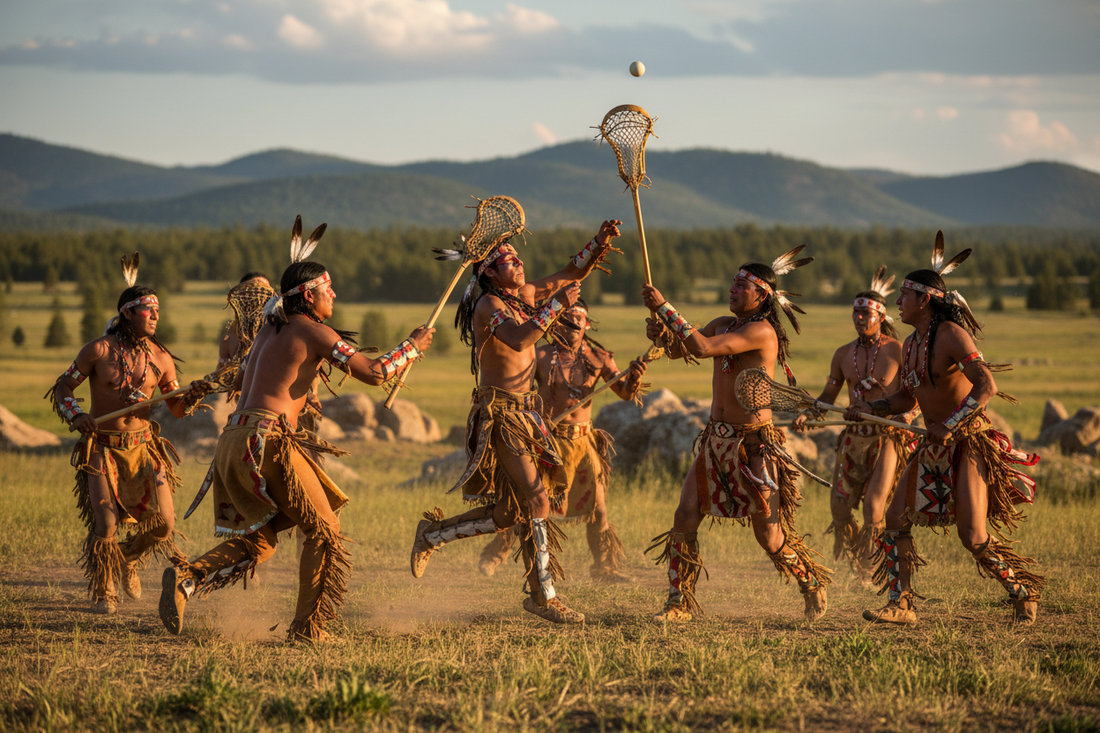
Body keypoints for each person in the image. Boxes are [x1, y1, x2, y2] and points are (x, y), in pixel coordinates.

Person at [159, 219, 434, 642]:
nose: (334, 296)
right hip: (266, 440)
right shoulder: (312, 330)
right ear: (309, 295)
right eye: (329, 289)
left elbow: (238, 381)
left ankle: (187, 579)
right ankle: (308, 629)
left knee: (262, 541)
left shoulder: (271, 331)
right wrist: (412, 346)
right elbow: (376, 373)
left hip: (234, 440)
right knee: (324, 532)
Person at [410, 220, 623, 624]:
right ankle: (544, 596)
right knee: (539, 499)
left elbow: (569, 273)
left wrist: (598, 243)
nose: (519, 264)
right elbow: (522, 339)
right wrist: (557, 305)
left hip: (527, 414)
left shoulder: (523, 295)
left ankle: (433, 534)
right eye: (509, 260)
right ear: (489, 271)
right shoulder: (489, 306)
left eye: (518, 258)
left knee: (509, 514)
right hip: (501, 415)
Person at [850, 232, 1044, 625]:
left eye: (905, 296)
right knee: (894, 521)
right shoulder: (910, 344)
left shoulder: (952, 336)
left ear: (925, 300)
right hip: (933, 443)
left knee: (973, 536)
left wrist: (953, 424)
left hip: (970, 442)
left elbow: (987, 385)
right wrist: (870, 408)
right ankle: (901, 604)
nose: (898, 303)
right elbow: (908, 397)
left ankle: (1023, 590)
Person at [642, 247, 833, 623]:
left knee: (769, 535)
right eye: (732, 281)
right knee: (685, 516)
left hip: (754, 444)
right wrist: (662, 335)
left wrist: (666, 308)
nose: (732, 288)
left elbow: (704, 347)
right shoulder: (722, 323)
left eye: (742, 284)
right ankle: (678, 604)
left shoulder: (760, 332)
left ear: (761, 295)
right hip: (716, 441)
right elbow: (685, 350)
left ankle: (810, 582)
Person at [47, 253, 209, 614]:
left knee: (164, 524)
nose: (155, 316)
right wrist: (77, 416)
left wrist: (193, 396)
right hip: (102, 448)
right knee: (105, 523)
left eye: (157, 311)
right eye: (147, 310)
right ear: (126, 313)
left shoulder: (161, 358)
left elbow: (178, 409)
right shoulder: (98, 350)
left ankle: (126, 558)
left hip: (143, 449)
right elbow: (63, 389)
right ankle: (106, 590)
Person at [477, 298, 648, 582]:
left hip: (583, 444)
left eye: (578, 318)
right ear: (556, 321)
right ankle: (497, 552)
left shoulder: (600, 358)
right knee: (527, 500)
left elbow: (625, 393)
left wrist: (634, 379)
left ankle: (605, 569)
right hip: (547, 441)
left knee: (598, 509)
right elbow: (518, 388)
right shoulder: (541, 356)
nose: (571, 323)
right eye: (566, 317)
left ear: (587, 324)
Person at [792, 266, 917, 583]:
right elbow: (829, 396)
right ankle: (859, 555)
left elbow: (913, 396)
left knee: (874, 509)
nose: (859, 318)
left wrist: (906, 418)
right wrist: (811, 414)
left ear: (880, 315)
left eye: (865, 313)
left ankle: (871, 568)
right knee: (839, 508)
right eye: (855, 312)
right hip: (853, 439)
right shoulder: (842, 354)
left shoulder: (897, 351)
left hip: (886, 437)